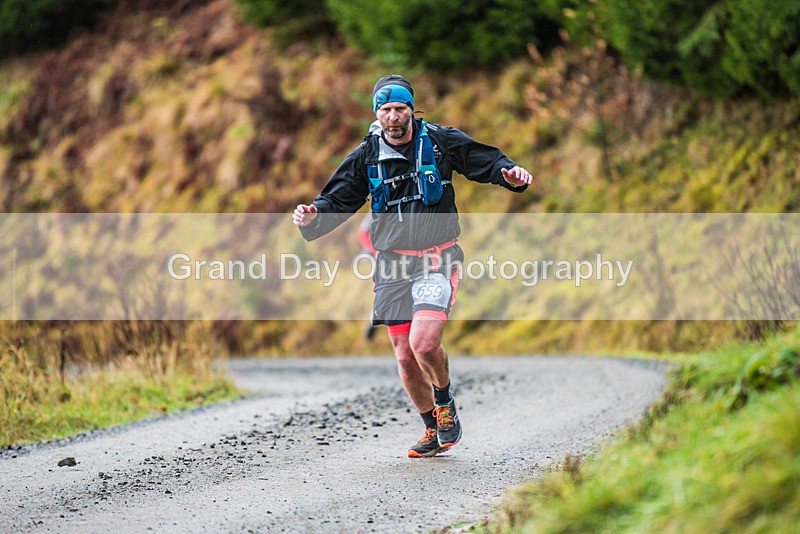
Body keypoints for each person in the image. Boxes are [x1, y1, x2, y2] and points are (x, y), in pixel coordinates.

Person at [293, 74, 533, 458]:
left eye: (400, 108)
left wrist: (510, 175)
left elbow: (486, 161)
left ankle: (444, 401)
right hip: (391, 267)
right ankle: (431, 429)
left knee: (424, 344)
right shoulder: (366, 155)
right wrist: (312, 216)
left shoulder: (439, 141)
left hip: (437, 259)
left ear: (411, 109)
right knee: (404, 356)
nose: (393, 116)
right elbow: (336, 198)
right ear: (377, 113)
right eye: (385, 109)